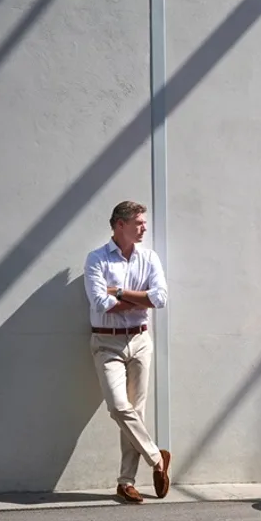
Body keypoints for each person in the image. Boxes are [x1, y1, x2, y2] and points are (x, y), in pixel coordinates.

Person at [83, 200, 171, 503]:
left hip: (141, 341)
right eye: (138, 222)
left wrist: (118, 292)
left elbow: (159, 298)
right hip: (107, 343)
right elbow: (99, 303)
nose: (144, 227)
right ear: (120, 225)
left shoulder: (149, 257)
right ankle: (156, 458)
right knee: (119, 407)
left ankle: (125, 482)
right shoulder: (96, 259)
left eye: (143, 222)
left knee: (137, 410)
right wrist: (139, 299)